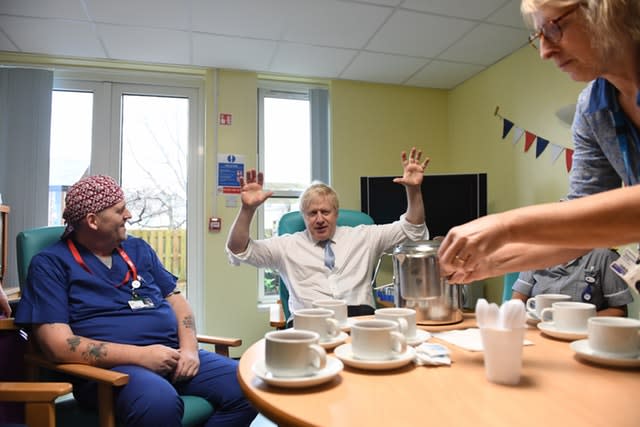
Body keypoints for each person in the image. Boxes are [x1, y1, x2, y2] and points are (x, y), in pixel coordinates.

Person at [15, 175, 256, 427]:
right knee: (158, 402)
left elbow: (176, 301)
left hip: (172, 354)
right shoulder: (50, 264)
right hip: (109, 373)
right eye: (120, 210)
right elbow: (56, 344)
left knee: (249, 386)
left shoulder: (137, 249)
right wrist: (142, 356)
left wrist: (188, 349)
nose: (128, 214)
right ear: (93, 221)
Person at [439, 0, 640, 283]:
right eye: (539, 37)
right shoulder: (592, 110)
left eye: (553, 28)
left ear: (605, 9)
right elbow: (577, 232)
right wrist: (487, 264)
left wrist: (506, 226)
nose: (545, 52)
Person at [226, 147, 430, 321]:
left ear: (336, 213)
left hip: (358, 320)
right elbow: (239, 249)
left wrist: (414, 191)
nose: (320, 219)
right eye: (312, 213)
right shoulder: (286, 246)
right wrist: (247, 209)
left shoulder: (363, 236)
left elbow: (411, 229)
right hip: (309, 323)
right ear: (303, 217)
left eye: (325, 211)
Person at [511, 248, 633, 316]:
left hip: (582, 336)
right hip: (538, 332)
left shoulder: (604, 256)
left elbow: (619, 311)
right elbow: (517, 302)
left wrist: (579, 321)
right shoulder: (535, 252)